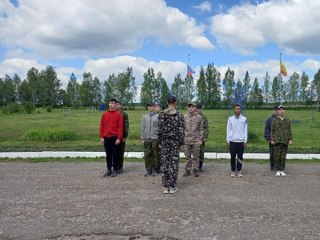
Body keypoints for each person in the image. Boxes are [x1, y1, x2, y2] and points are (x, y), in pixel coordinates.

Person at [158, 96, 185, 194]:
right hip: (175, 143)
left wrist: (160, 142)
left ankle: (165, 186)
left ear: (167, 102)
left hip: (165, 142)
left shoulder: (161, 114)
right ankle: (173, 186)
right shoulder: (179, 115)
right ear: (175, 102)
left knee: (165, 163)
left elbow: (159, 129)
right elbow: (181, 130)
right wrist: (181, 142)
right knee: (174, 163)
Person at [100, 98, 123, 177]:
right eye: (110, 103)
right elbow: (102, 126)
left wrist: (119, 138)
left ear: (115, 104)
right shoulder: (105, 114)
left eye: (113, 103)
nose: (111, 105)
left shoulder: (118, 114)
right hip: (106, 137)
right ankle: (109, 169)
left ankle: (115, 169)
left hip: (115, 137)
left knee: (115, 154)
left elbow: (120, 127)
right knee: (108, 154)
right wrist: (102, 137)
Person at [183, 101, 204, 177]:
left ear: (195, 108)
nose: (191, 108)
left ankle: (195, 169)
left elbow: (201, 129)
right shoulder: (184, 117)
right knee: (187, 157)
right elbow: (182, 128)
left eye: (193, 107)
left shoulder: (199, 117)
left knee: (196, 156)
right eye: (190, 107)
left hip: (196, 140)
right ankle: (187, 170)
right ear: (188, 108)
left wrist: (200, 139)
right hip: (187, 140)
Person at [226, 103, 248, 178]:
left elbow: (245, 130)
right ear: (234, 110)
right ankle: (233, 170)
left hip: (241, 141)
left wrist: (245, 141)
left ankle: (239, 170)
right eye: (236, 109)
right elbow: (228, 130)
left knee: (240, 157)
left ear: (240, 110)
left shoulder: (244, 119)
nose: (238, 110)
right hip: (233, 141)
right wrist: (228, 141)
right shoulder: (230, 119)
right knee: (232, 156)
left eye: (239, 109)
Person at [270, 105, 293, 177]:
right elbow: (272, 131)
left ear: (284, 111)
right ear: (278, 111)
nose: (281, 111)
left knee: (283, 156)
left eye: (283, 109)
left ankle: (282, 170)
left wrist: (290, 139)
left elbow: (290, 130)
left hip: (285, 141)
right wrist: (272, 139)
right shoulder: (274, 120)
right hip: (277, 141)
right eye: (280, 110)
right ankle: (278, 170)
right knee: (277, 156)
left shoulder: (288, 121)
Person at [141, 102, 159, 176]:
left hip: (155, 138)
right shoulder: (145, 117)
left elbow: (160, 128)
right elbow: (142, 127)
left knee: (155, 155)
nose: (150, 108)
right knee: (147, 155)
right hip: (147, 139)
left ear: (154, 107)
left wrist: (159, 138)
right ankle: (148, 170)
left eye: (151, 106)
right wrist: (142, 137)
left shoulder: (158, 116)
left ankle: (154, 169)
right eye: (149, 106)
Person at [115, 100, 129, 173]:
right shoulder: (113, 113)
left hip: (122, 135)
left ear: (121, 105)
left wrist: (124, 136)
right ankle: (115, 166)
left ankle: (120, 166)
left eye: (118, 104)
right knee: (114, 152)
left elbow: (126, 126)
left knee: (121, 151)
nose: (117, 105)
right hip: (114, 135)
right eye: (116, 104)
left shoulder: (124, 114)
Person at [264, 106, 278, 171]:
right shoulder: (269, 120)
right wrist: (268, 139)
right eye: (275, 110)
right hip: (272, 140)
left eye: (278, 110)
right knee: (272, 154)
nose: (276, 111)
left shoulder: (282, 119)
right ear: (273, 111)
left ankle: (278, 166)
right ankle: (272, 166)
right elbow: (267, 130)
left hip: (280, 140)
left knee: (279, 154)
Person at [196, 103, 208, 172]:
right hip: (193, 137)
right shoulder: (193, 117)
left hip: (201, 138)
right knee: (194, 153)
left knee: (201, 152)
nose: (198, 110)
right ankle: (195, 166)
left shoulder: (204, 117)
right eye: (197, 108)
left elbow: (206, 128)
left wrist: (205, 137)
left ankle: (200, 166)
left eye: (199, 109)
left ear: (201, 109)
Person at [154, 101, 162, 173]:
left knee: (160, 153)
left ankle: (160, 166)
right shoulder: (152, 116)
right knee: (155, 153)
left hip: (161, 137)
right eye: (155, 107)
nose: (156, 108)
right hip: (154, 137)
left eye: (158, 107)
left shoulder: (162, 115)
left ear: (160, 108)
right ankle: (155, 167)